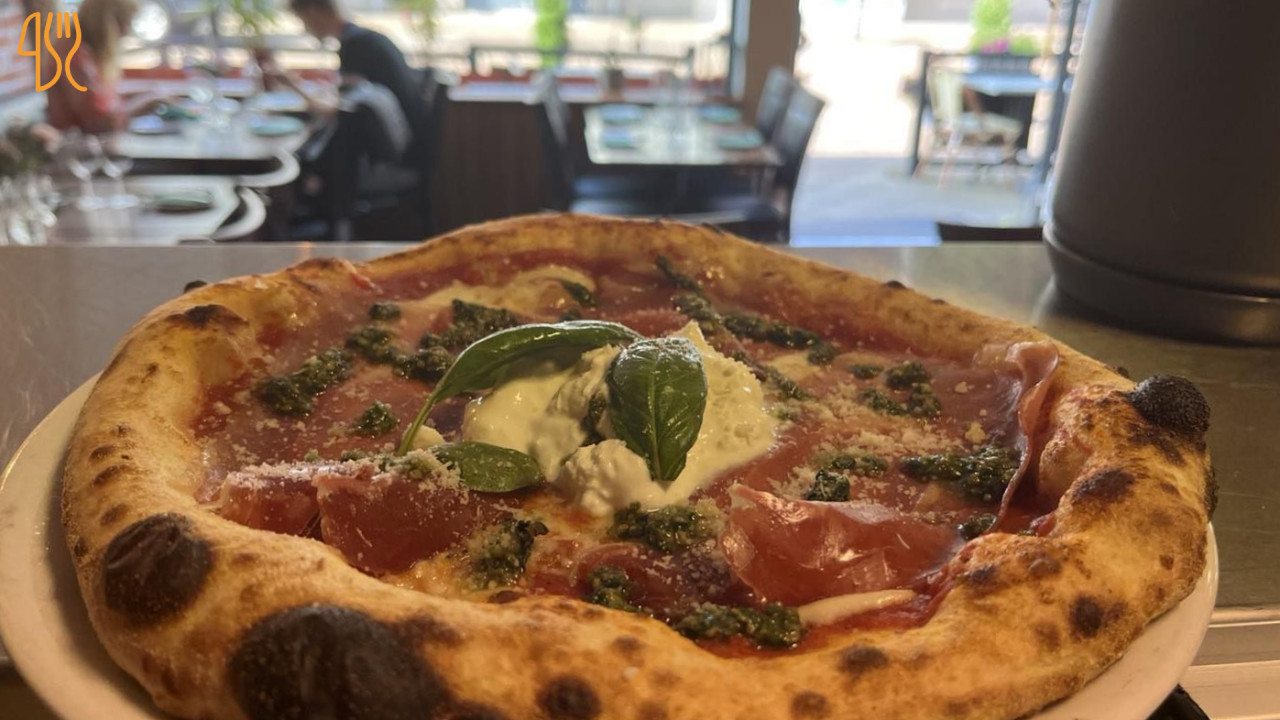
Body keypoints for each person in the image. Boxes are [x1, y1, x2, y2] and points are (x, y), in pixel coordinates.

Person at [269, 0, 426, 149]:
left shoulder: (354, 46)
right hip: (409, 134)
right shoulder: (365, 38)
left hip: (397, 147)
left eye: (303, 20)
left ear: (313, 12)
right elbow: (347, 92)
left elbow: (331, 111)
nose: (305, 29)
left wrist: (293, 85)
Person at [43, 0, 167, 133]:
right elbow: (97, 122)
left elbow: (103, 101)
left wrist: (146, 95)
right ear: (107, 21)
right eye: (124, 22)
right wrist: (143, 105)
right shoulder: (72, 53)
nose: (126, 31)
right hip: (77, 141)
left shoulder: (84, 48)